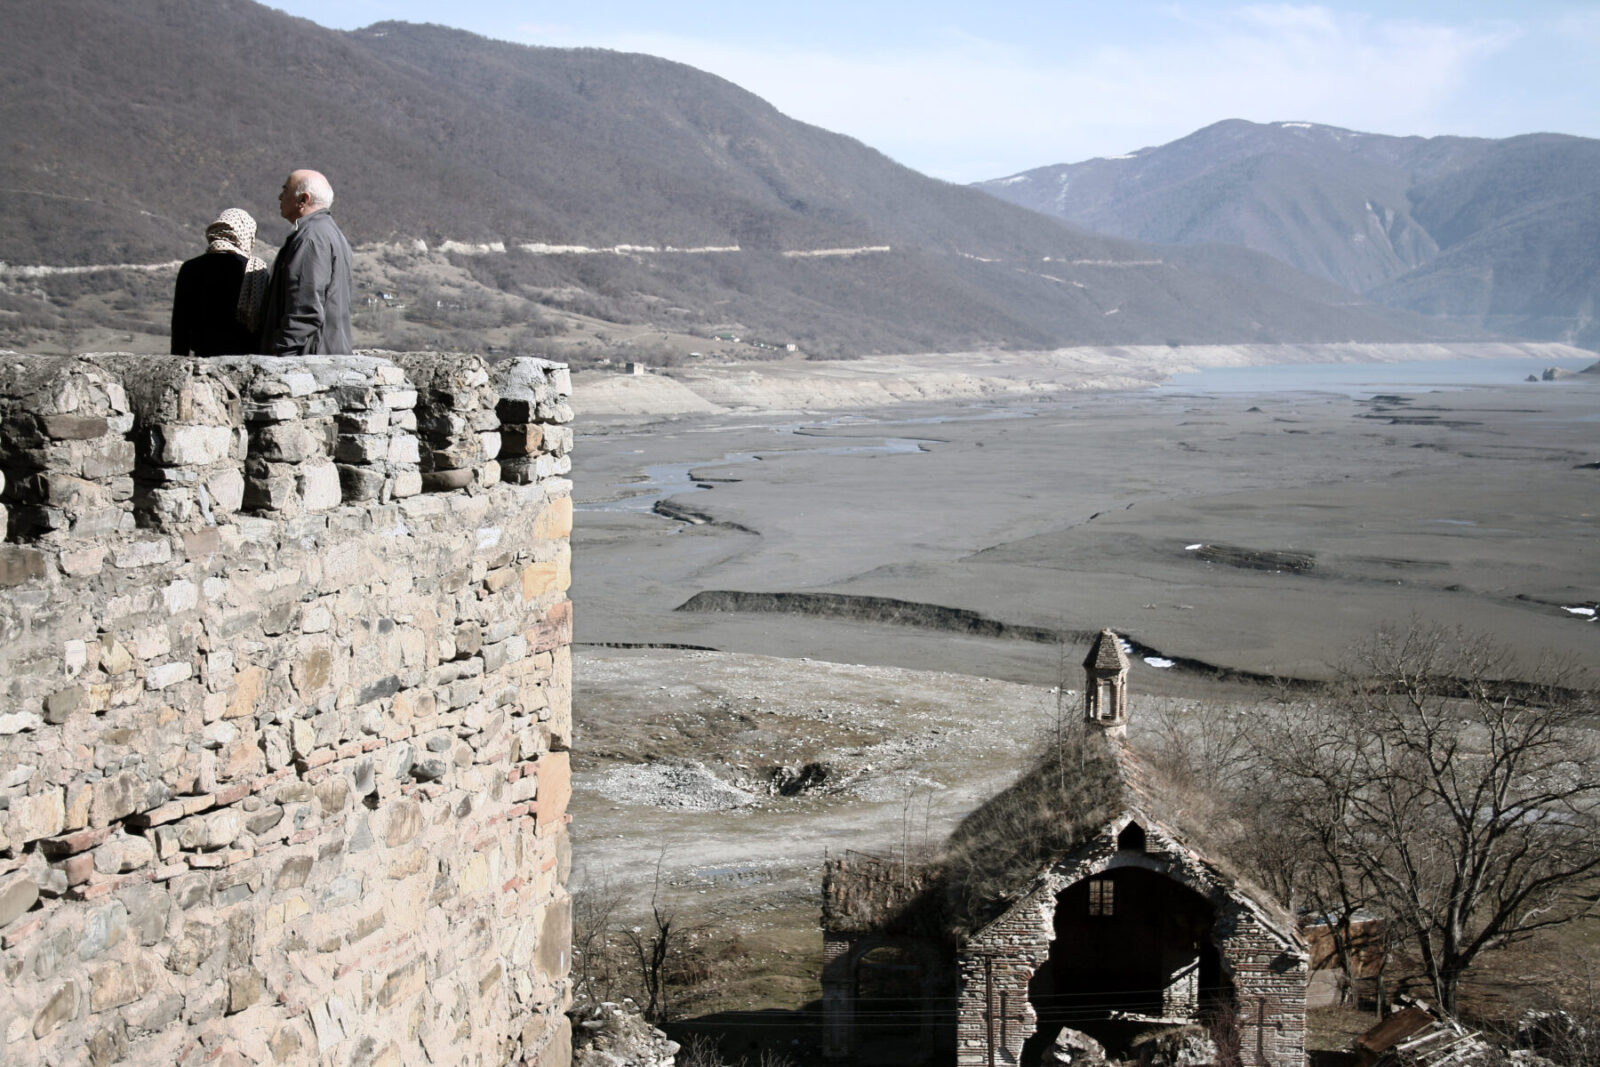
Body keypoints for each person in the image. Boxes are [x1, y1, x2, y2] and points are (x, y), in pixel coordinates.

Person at [258, 169, 353, 355]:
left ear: (303, 199)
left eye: (285, 191)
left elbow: (304, 307)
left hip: (308, 356)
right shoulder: (332, 234)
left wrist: (282, 354)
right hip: (328, 351)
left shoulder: (310, 238)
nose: (279, 197)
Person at [170, 208, 269, 356]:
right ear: (246, 235)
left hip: (203, 357)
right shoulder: (255, 271)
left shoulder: (190, 268)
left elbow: (180, 325)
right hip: (245, 359)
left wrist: (177, 361)